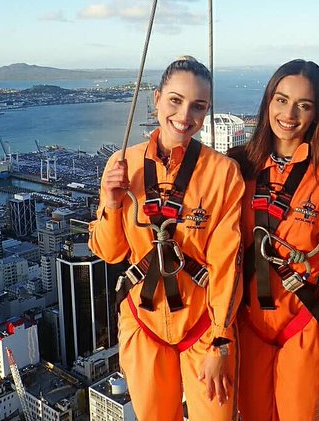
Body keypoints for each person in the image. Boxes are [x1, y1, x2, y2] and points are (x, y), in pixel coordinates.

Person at [88, 56, 245, 421]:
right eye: (175, 100)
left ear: (206, 112)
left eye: (198, 106)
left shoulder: (222, 174)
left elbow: (227, 263)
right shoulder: (123, 164)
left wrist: (221, 341)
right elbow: (110, 253)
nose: (184, 115)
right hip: (143, 323)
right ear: (156, 99)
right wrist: (112, 204)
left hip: (204, 325)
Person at [228, 59, 319, 420]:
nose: (288, 114)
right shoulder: (236, 167)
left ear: (316, 114)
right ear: (268, 103)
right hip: (248, 320)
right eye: (281, 100)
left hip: (304, 317)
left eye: (303, 105)